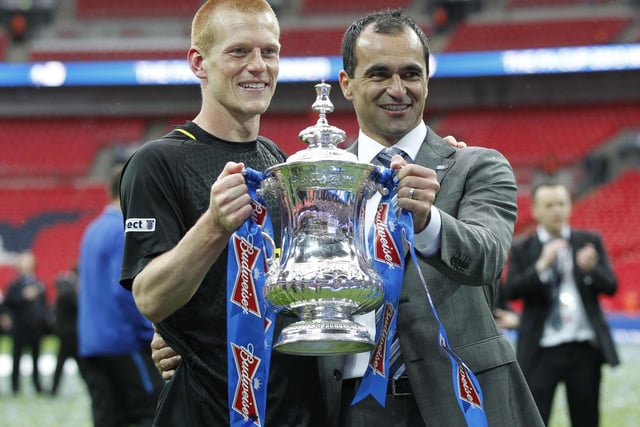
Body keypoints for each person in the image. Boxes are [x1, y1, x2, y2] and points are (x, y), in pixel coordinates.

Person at [149, 7, 543, 427]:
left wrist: (427, 221)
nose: (397, 89)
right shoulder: (311, 179)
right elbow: (276, 275)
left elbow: (487, 257)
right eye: (378, 74)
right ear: (347, 85)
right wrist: (188, 336)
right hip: (348, 406)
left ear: (427, 80)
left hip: (462, 403)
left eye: (411, 74)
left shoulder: (477, 166)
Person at [119, 1, 330, 426]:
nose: (258, 66)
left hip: (297, 410)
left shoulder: (278, 160)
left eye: (269, 52)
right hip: (208, 412)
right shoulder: (157, 162)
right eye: (239, 52)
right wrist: (214, 225)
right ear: (199, 62)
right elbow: (150, 297)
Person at [503, 179, 619, 427]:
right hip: (541, 350)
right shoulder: (524, 248)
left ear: (569, 206)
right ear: (535, 210)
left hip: (584, 350)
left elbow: (611, 286)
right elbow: (511, 291)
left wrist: (591, 270)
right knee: (534, 419)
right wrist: (541, 267)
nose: (557, 210)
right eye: (549, 205)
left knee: (586, 420)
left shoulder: (589, 240)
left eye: (561, 203)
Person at [77, 164, 164, 427]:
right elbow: (126, 290)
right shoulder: (121, 230)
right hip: (124, 343)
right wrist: (149, 331)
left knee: (107, 418)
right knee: (149, 413)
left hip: (92, 344)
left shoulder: (93, 229)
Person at [4, 250, 47, 395]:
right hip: (20, 327)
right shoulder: (14, 285)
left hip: (35, 327)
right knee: (17, 358)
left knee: (36, 358)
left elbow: (43, 305)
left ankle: (37, 385)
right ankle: (15, 387)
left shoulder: (39, 283)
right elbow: (8, 303)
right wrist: (23, 296)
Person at [50, 267, 82, 396]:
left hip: (69, 334)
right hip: (69, 334)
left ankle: (54, 389)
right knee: (80, 363)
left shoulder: (69, 289)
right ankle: (54, 388)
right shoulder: (68, 291)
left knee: (62, 362)